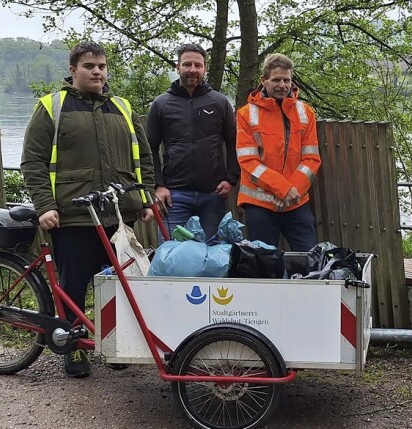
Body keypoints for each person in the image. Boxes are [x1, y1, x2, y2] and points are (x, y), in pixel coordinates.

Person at [21, 41, 155, 378]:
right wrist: (45, 206)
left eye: (101, 66)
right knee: (75, 283)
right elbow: (33, 161)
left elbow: (145, 158)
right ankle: (73, 348)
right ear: (73, 70)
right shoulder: (51, 107)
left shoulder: (122, 108)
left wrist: (145, 199)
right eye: (89, 66)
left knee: (121, 284)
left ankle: (115, 345)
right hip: (74, 214)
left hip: (118, 216)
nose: (97, 72)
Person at [147, 43, 239, 240]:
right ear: (177, 67)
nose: (192, 70)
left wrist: (231, 179)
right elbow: (150, 149)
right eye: (187, 64)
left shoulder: (220, 102)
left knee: (214, 259)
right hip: (174, 197)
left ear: (204, 68)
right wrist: (158, 185)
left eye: (198, 65)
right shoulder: (161, 104)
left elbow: (233, 143)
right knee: (171, 260)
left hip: (213, 195)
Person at [234, 53, 321, 251]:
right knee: (263, 267)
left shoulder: (305, 112)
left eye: (287, 80)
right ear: (264, 81)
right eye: (276, 80)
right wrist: (282, 190)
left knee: (310, 259)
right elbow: (248, 162)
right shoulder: (246, 114)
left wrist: (292, 192)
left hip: (296, 202)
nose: (282, 85)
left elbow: (311, 159)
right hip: (260, 204)